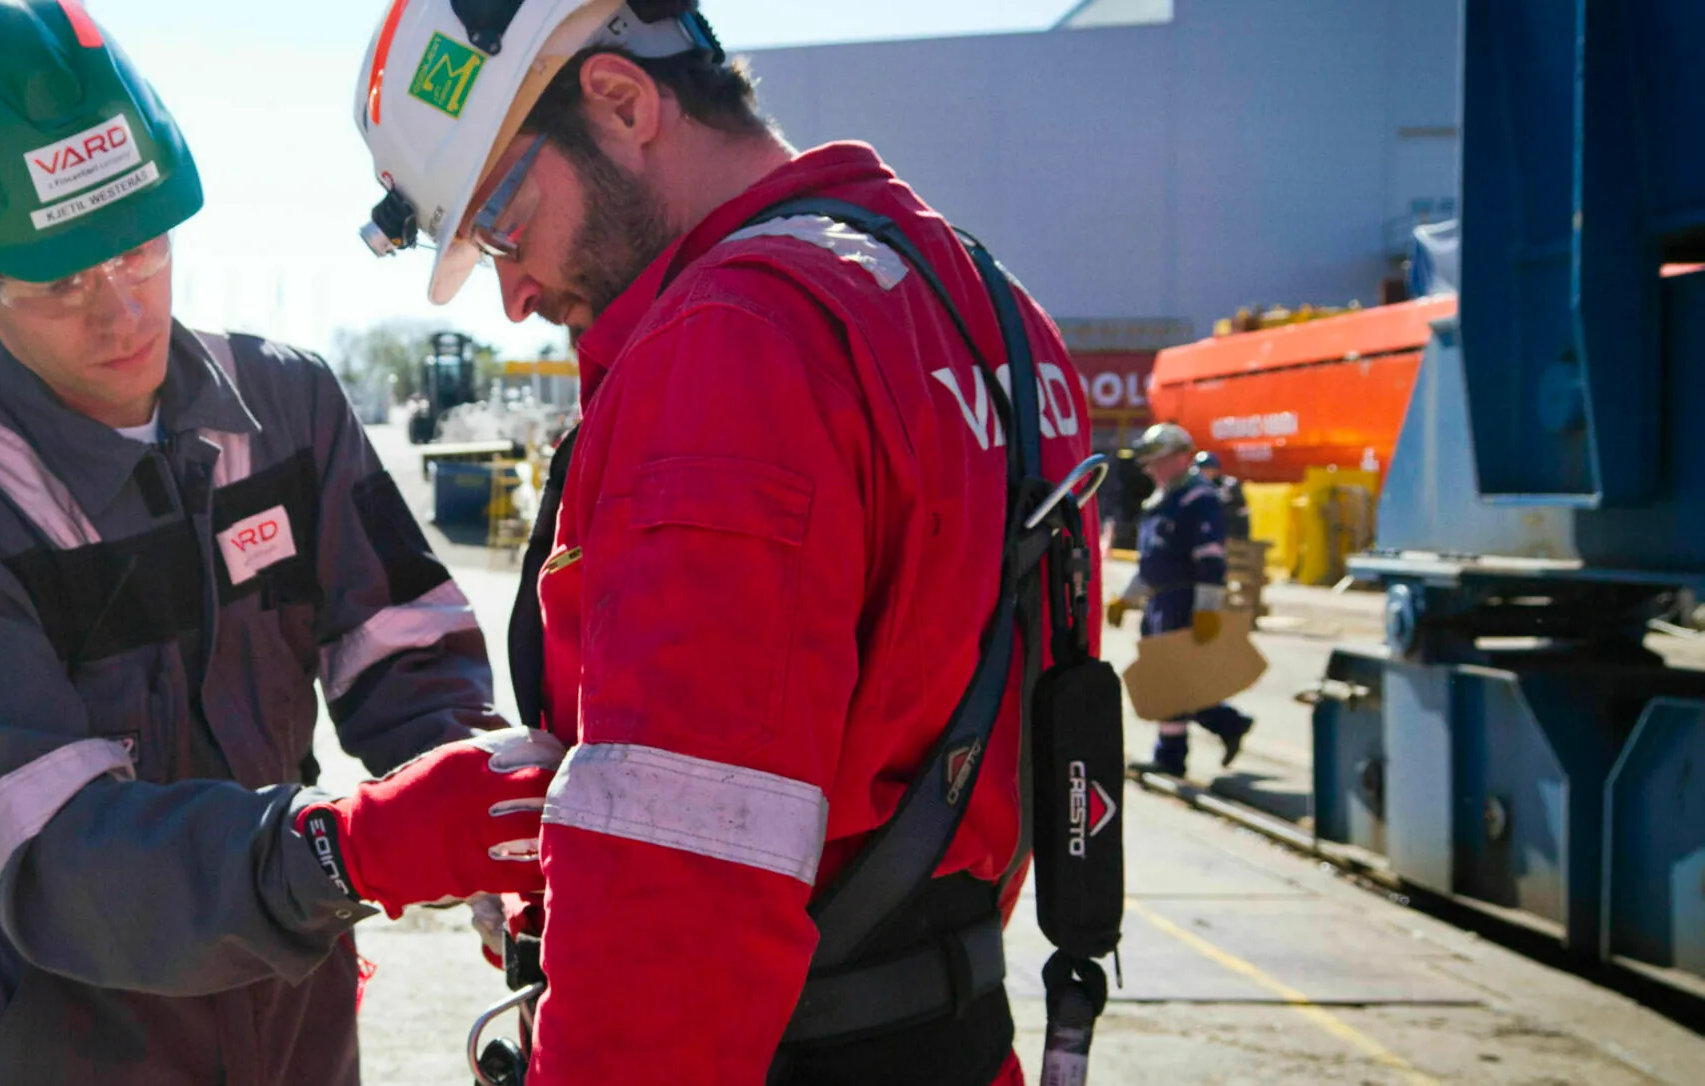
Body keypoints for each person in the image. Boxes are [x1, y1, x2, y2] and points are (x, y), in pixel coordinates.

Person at [350, 3, 1098, 1083]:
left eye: (503, 221)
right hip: (954, 1033)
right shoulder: (982, 306)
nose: (513, 297)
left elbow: (675, 895)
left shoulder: (731, 344)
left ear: (619, 102)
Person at [0, 4, 558, 1082]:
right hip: (77, 1033)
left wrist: (471, 804)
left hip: (296, 1011)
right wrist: (342, 847)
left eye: (139, 250)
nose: (121, 315)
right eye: (63, 282)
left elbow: (397, 648)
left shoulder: (286, 405)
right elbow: (59, 861)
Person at [1110, 424, 1254, 775]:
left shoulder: (1197, 498)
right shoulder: (1159, 501)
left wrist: (1206, 607)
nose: (1150, 470)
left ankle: (1187, 746)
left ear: (1180, 458)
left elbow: (1210, 557)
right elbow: (1153, 562)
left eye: (1156, 462)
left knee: (1174, 680)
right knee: (1167, 679)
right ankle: (1213, 731)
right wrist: (1127, 599)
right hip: (1160, 603)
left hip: (1183, 600)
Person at [1195, 449, 1252, 540]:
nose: (1203, 473)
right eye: (1201, 470)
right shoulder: (1195, 487)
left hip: (1230, 535)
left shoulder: (1229, 485)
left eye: (1207, 469)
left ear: (1215, 469)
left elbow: (1239, 512)